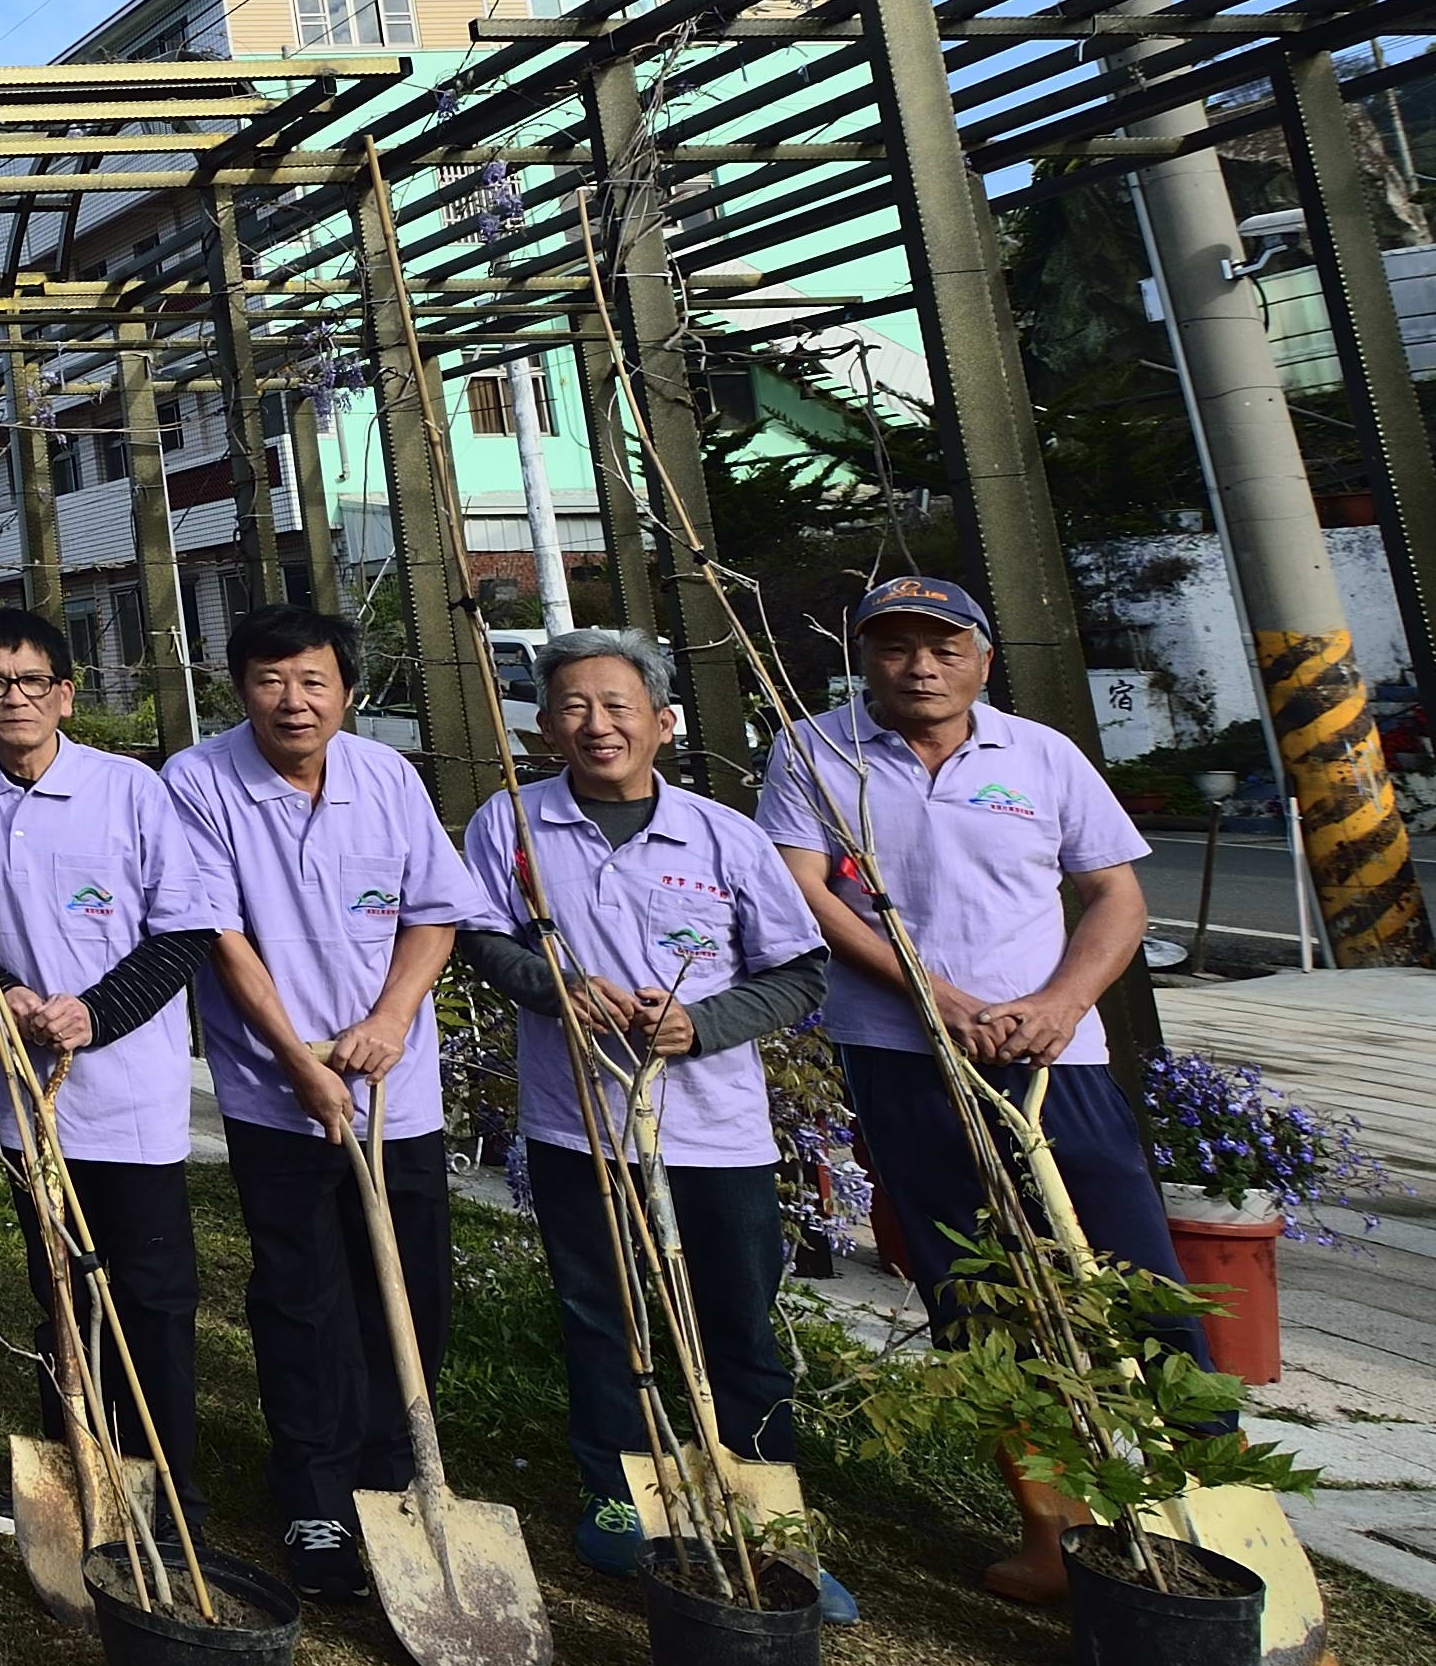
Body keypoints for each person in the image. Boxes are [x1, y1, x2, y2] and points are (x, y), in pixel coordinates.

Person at [755, 571, 1176, 1602]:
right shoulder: (816, 751)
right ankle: (1047, 1527)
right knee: (969, 1290)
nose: (919, 663)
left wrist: (1062, 1001)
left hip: (1050, 1059)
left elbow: (1113, 892)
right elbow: (803, 889)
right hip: (903, 1053)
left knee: (1129, 1276)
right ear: (862, 655)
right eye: (895, 644)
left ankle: (1197, 1503)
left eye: (942, 645)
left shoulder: (1039, 754)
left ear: (981, 657)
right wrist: (931, 997)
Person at [455, 629, 842, 1608]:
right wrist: (553, 987)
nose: (597, 724)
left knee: (736, 1326)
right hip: (577, 1125)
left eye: (618, 705)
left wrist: (701, 1022)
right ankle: (621, 1498)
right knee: (602, 1319)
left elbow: (796, 970)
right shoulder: (509, 823)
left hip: (713, 1130)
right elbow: (479, 942)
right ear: (543, 726)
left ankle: (766, 1522)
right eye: (574, 706)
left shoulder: (725, 836)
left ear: (661, 722)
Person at [163, 603, 479, 1607]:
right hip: (277, 1091)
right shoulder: (199, 781)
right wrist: (295, 1060)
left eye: (310, 680)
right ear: (238, 687)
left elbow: (434, 910)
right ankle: (310, 1490)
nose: (290, 700)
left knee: (406, 1287)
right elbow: (219, 936)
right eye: (267, 679)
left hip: (397, 1091)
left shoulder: (385, 775)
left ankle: (398, 1474)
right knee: (301, 1294)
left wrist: (388, 1019)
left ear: (345, 688)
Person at [0, 605, 231, 1533]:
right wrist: (0, 988)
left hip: (125, 1082)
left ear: (66, 694)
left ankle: (168, 1487)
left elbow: (186, 925)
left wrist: (96, 1013)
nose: (15, 698)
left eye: (33, 681)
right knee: (56, 1280)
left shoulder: (129, 789)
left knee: (152, 1289)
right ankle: (74, 1468)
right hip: (17, 1080)